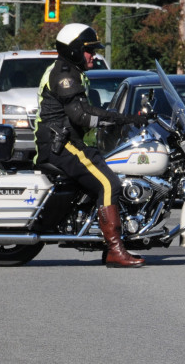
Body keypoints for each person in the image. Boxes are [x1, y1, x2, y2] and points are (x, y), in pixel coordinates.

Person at [33, 23, 149, 268]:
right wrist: (122, 119)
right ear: (74, 49)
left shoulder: (72, 72)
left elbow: (85, 113)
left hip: (66, 142)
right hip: (61, 145)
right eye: (89, 50)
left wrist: (121, 120)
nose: (93, 55)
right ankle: (115, 251)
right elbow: (81, 116)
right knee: (109, 184)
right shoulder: (64, 74)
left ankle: (109, 241)